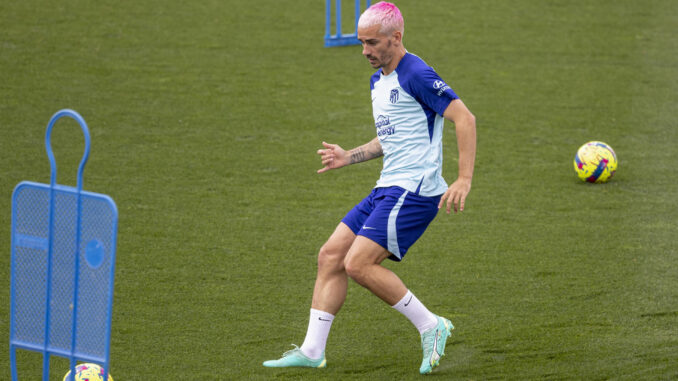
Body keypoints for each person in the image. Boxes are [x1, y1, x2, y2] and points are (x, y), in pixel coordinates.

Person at [263, 1, 476, 375]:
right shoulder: (379, 80)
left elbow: (464, 117)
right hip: (388, 187)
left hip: (414, 191)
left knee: (358, 263)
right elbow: (391, 138)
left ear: (396, 37)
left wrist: (463, 179)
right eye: (362, 43)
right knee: (330, 256)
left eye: (373, 43)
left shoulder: (417, 74)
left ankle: (432, 325)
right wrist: (350, 156)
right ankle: (313, 350)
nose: (365, 51)